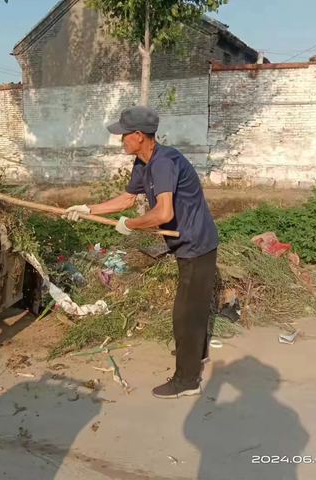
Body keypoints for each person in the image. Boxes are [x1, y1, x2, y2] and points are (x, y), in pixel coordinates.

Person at [66, 106, 219, 399]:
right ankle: (195, 353)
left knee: (185, 314)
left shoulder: (163, 162)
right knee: (192, 309)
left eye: (124, 135)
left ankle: (187, 381)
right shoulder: (143, 162)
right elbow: (126, 199)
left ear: (138, 135)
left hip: (197, 245)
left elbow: (163, 212)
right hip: (187, 244)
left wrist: (131, 225)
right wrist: (88, 209)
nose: (120, 140)